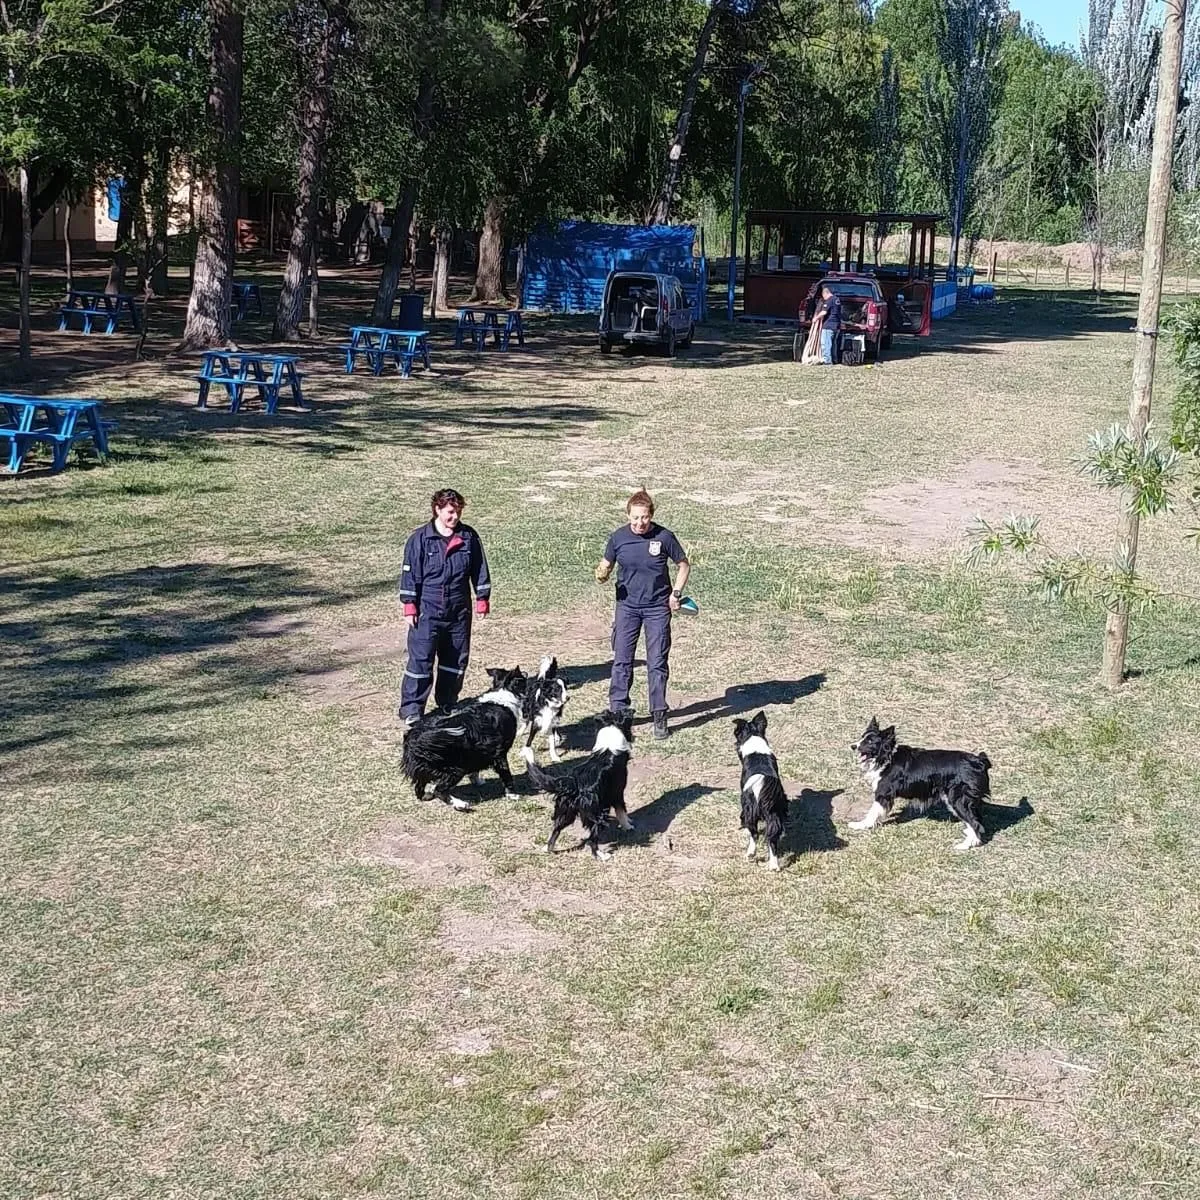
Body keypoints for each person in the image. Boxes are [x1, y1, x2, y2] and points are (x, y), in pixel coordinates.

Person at [595, 489, 690, 740]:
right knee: (622, 661)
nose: (640, 523)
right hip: (627, 607)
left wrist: (676, 594)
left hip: (657, 608)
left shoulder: (664, 537)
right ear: (628, 515)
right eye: (635, 517)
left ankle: (659, 715)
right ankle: (618, 712)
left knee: (657, 662)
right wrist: (602, 572)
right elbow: (606, 566)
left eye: (645, 517)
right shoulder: (618, 538)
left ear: (651, 515)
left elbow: (683, 565)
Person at [398, 488, 491, 729]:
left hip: (458, 611)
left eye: (458, 512)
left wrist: (482, 597)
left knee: (455, 660)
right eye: (450, 512)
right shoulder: (419, 539)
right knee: (421, 660)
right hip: (427, 611)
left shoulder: (469, 537)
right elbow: (410, 574)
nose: (455, 517)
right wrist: (410, 606)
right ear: (437, 510)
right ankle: (412, 709)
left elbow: (480, 568)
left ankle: (447, 702)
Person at [814, 284, 842, 365]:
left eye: (823, 296)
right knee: (833, 344)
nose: (823, 298)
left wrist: (815, 318)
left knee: (825, 344)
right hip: (836, 325)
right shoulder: (837, 300)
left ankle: (827, 361)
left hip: (828, 326)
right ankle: (834, 359)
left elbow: (824, 312)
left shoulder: (829, 300)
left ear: (825, 293)